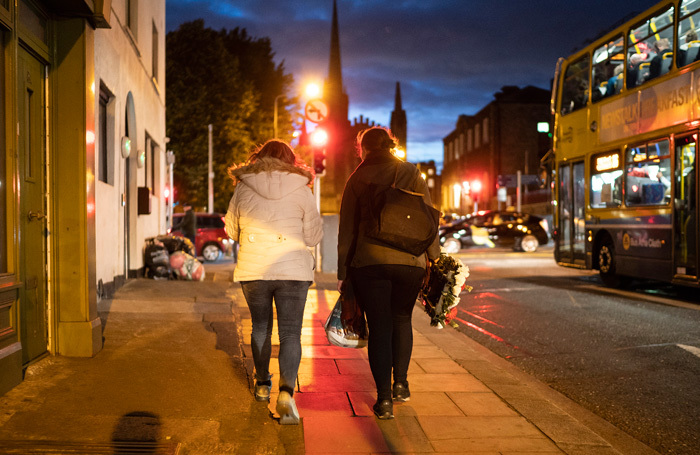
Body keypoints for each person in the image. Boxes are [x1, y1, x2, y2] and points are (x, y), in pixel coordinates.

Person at [337, 127, 440, 420]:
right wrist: (435, 260)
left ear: (363, 149)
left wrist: (343, 270)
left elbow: (347, 230)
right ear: (390, 145)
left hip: (369, 262)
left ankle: (383, 401)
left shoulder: (357, 178)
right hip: (410, 262)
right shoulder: (411, 173)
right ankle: (401, 385)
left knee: (380, 327)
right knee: (402, 319)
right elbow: (429, 218)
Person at [225, 139, 323, 425]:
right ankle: (286, 393)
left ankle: (262, 384)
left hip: (254, 269)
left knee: (260, 328)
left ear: (260, 157)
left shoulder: (243, 187)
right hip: (293, 271)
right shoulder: (302, 190)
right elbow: (314, 236)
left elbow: (232, 230)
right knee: (290, 333)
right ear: (291, 160)